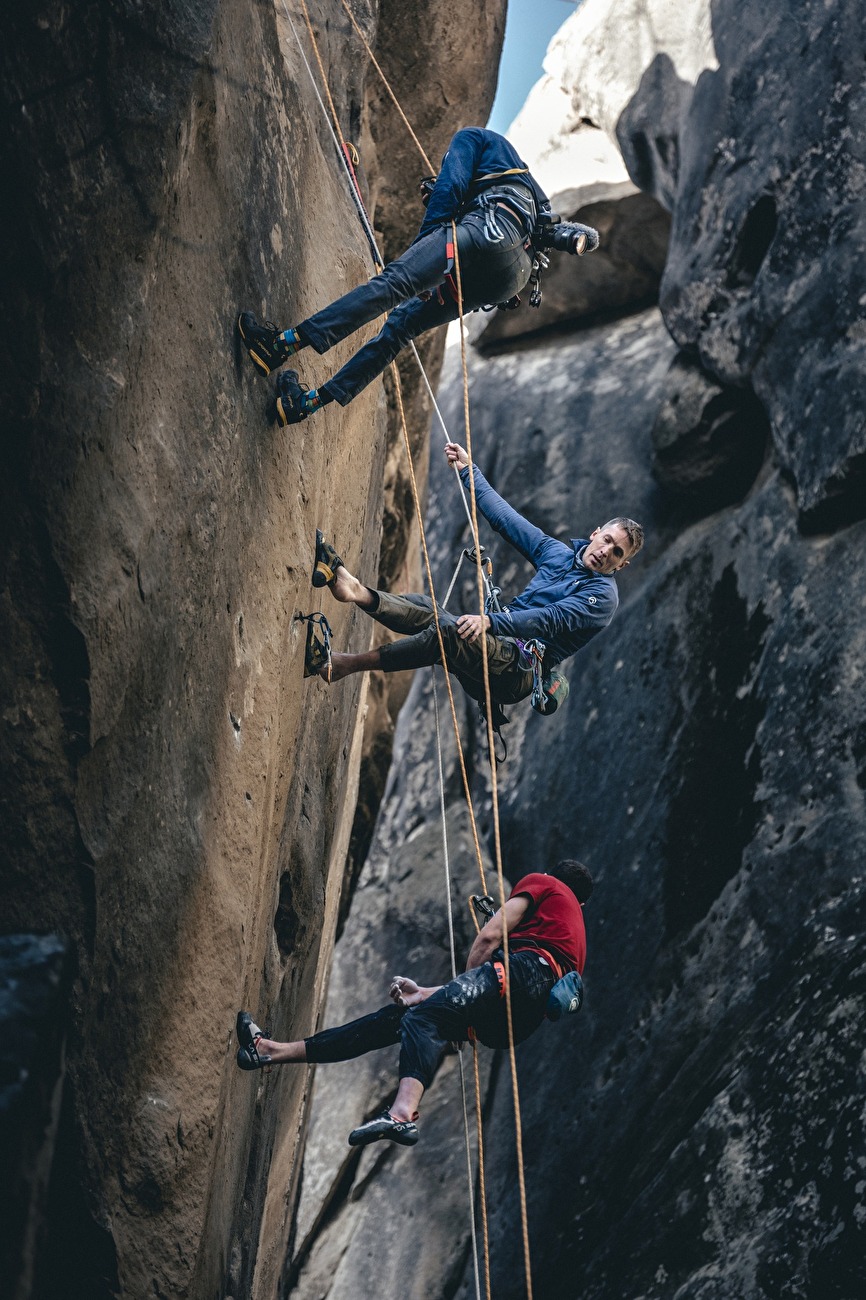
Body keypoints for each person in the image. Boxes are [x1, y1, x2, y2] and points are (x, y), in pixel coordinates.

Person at [236, 126, 599, 425]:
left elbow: (451, 186)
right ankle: (306, 404)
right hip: (508, 278)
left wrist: (425, 250)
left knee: (394, 285)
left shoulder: (473, 138)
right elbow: (559, 234)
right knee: (400, 329)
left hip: (486, 232)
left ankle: (278, 345)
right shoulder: (531, 191)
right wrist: (578, 238)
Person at [236, 859, 593, 1147]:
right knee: (392, 1021)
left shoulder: (545, 884)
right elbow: (477, 993)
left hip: (520, 975)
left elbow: (490, 935)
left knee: (420, 1022)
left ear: (552, 877)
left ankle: (401, 1115)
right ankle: (269, 1051)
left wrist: (463, 987)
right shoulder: (574, 937)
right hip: (520, 1019)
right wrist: (423, 993)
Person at [304, 441, 643, 717]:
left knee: (451, 633)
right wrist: (469, 471)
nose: (606, 551)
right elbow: (507, 520)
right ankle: (356, 591)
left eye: (617, 553)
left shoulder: (602, 597)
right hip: (496, 648)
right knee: (428, 609)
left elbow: (549, 620)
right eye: (608, 540)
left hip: (515, 673)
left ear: (622, 566)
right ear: (596, 533)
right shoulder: (557, 554)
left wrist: (490, 621)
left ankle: (346, 664)